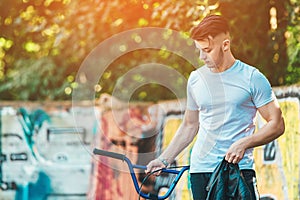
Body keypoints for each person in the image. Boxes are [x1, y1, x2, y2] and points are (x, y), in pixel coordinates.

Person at [145, 14, 285, 199]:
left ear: (225, 45)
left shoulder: (252, 78)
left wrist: (244, 143)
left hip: (237, 172)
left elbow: (277, 124)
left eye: (207, 50)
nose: (202, 57)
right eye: (199, 50)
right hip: (200, 171)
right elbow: (190, 125)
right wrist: (164, 159)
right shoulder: (196, 79)